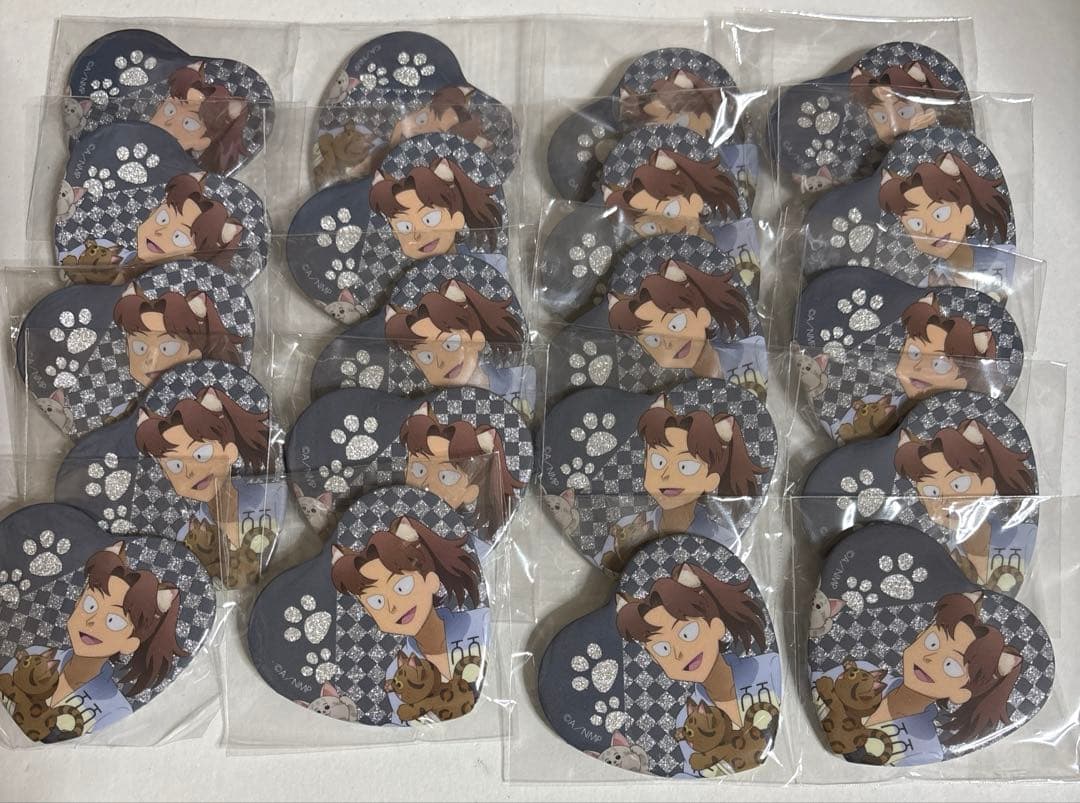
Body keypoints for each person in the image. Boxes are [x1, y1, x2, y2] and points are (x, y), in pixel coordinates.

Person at [0, 542, 185, 741]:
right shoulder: (34, 655)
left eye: (113, 621)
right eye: (90, 605)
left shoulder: (115, 711)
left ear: (131, 643)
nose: (92, 621)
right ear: (77, 603)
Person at [814, 592, 1023, 766]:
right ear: (918, 636)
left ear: (962, 693)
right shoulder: (862, 671)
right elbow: (815, 684)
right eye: (932, 642)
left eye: (950, 665)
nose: (929, 658)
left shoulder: (924, 746)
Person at [616, 562, 781, 776]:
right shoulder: (686, 719)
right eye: (663, 648)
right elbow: (695, 773)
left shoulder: (770, 669)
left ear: (716, 625)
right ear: (655, 660)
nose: (679, 654)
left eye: (687, 633)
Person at [331, 515, 488, 725]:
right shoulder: (397, 672)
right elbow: (405, 725)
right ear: (368, 612)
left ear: (431, 580)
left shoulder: (481, 624)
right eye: (377, 602)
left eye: (402, 587)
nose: (393, 606)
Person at [895, 419, 1035, 592]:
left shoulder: (1026, 538)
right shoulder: (937, 557)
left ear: (988, 484)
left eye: (959, 485)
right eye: (932, 492)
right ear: (921, 499)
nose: (946, 502)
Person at [384, 278, 534, 414]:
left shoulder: (520, 382)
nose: (441, 361)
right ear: (417, 365)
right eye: (426, 357)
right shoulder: (428, 412)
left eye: (450, 344)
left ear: (477, 338)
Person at [370, 157, 505, 273]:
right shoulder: (398, 285)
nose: (418, 234)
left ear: (456, 218)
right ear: (395, 233)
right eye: (405, 227)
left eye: (430, 219)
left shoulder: (489, 268)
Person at [148, 63, 250, 174]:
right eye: (170, 110)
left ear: (203, 142)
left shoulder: (186, 172)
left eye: (188, 123)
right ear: (159, 106)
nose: (170, 122)